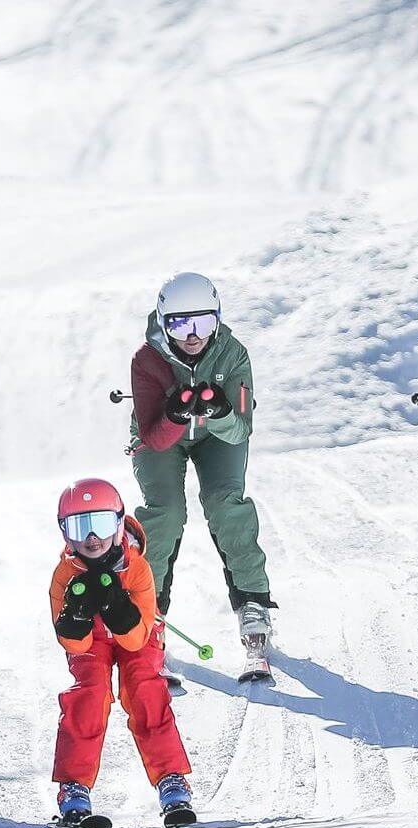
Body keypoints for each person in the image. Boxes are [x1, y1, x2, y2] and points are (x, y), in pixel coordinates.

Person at [129, 272, 276, 650]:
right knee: (165, 511)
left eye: (204, 323)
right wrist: (176, 415)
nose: (193, 336)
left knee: (226, 503)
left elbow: (240, 429)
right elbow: (153, 437)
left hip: (217, 436)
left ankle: (253, 601)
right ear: (164, 324)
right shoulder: (148, 360)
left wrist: (220, 411)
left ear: (217, 319)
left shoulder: (233, 354)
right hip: (162, 434)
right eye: (180, 325)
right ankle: (148, 608)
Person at [49, 477, 196, 828]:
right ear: (65, 533)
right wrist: (76, 619)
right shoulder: (65, 575)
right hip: (93, 640)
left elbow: (136, 640)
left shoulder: (137, 568)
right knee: (90, 693)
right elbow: (73, 646)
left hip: (136, 635)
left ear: (117, 525)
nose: (92, 538)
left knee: (145, 688)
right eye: (79, 528)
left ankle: (171, 780)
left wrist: (118, 610)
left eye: (100, 525)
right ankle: (74, 788)